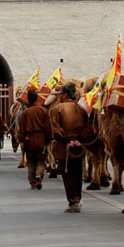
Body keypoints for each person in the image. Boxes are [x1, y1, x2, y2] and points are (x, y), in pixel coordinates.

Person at [49, 83, 92, 212]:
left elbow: (56, 129)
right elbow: (88, 128)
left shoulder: (56, 109)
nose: (59, 96)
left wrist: (67, 140)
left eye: (61, 94)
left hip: (64, 147)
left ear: (65, 95)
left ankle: (73, 201)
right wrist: (79, 140)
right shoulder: (82, 109)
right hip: (78, 147)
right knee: (77, 173)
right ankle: (77, 198)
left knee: (67, 175)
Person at [18, 89, 51, 189]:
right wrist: (49, 139)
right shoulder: (43, 111)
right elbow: (47, 127)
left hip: (28, 140)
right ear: (37, 98)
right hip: (40, 139)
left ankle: (32, 182)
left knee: (31, 161)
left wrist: (21, 140)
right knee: (41, 160)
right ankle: (38, 175)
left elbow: (21, 129)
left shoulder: (25, 113)